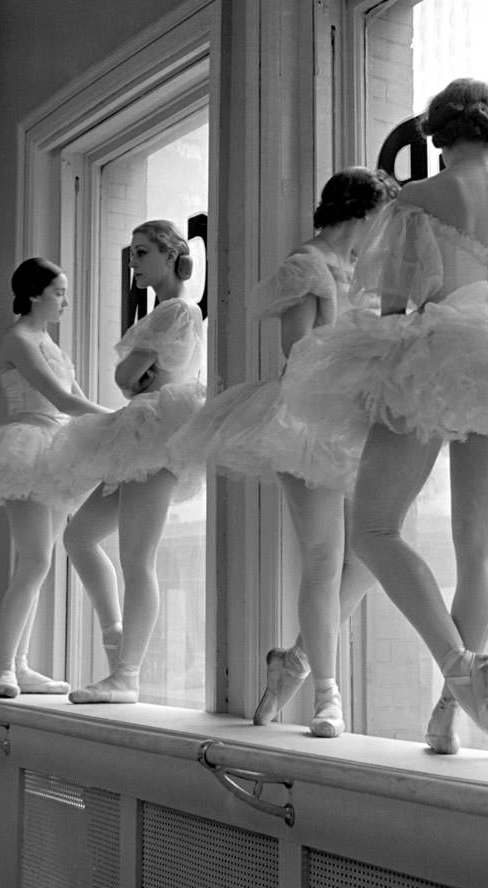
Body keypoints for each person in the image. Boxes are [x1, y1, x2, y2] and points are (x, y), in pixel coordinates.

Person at [282, 79, 488, 757]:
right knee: (479, 546)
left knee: (374, 527)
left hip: (430, 361)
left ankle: (460, 671)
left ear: (439, 132)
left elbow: (395, 312)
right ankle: (447, 717)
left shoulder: (417, 201)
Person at [170, 168, 398, 736]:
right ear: (362, 211)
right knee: (324, 557)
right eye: (383, 219)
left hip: (355, 420)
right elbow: (297, 356)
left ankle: (292, 663)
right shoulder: (307, 266)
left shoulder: (359, 270)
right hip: (305, 418)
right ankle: (326, 694)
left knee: (372, 555)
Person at [49, 220, 205, 704]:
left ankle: (127, 675)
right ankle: (117, 639)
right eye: (133, 253)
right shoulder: (166, 313)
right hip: (141, 432)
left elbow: (127, 374)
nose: (133, 262)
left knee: (138, 558)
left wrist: (132, 376)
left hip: (156, 436)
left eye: (141, 253)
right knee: (78, 535)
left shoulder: (176, 310)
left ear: (169, 255)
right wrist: (131, 377)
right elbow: (129, 377)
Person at [0, 257, 110, 698]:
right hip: (27, 448)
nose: (66, 300)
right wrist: (122, 417)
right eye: (59, 292)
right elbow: (60, 398)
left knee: (39, 561)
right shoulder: (19, 339)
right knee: (35, 559)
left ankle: (18, 664)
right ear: (35, 294)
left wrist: (113, 420)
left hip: (58, 449)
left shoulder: (50, 343)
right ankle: (3, 666)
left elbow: (75, 399)